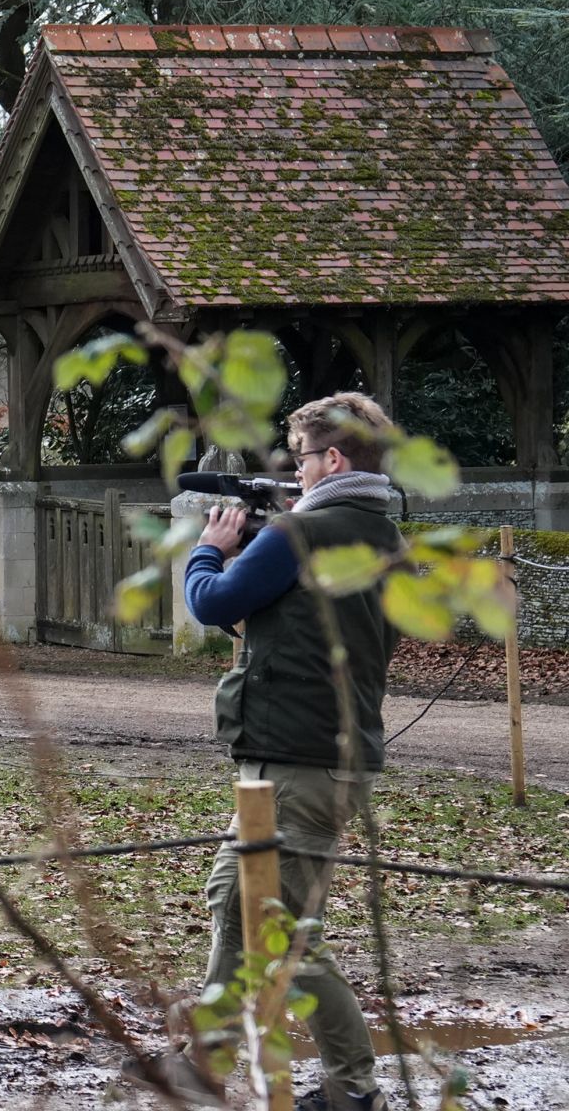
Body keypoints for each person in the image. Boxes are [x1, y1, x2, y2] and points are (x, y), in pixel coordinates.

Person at [175, 392, 403, 1111]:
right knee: (236, 904)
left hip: (295, 761)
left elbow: (213, 603)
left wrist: (209, 546)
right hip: (325, 756)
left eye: (299, 457)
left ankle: (355, 1088)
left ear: (332, 459)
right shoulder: (380, 534)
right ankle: (204, 1064)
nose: (293, 471)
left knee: (282, 933)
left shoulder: (301, 534)